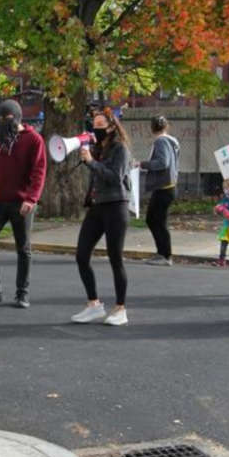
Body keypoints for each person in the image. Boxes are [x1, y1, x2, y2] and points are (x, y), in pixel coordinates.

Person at [0, 100, 46, 310]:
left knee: (23, 248)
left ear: (18, 119)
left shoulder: (34, 140)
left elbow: (39, 171)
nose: (4, 123)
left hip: (21, 202)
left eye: (8, 119)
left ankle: (22, 293)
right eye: (1, 119)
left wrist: (31, 199)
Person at [71, 108, 133, 326]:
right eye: (93, 124)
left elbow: (115, 177)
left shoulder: (120, 149)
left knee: (115, 258)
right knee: (81, 255)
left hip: (116, 206)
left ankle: (120, 309)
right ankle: (94, 304)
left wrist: (91, 162)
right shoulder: (99, 148)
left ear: (111, 127)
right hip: (98, 207)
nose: (95, 128)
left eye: (100, 125)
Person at [141, 115, 180, 266]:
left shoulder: (161, 141)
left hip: (164, 187)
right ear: (166, 126)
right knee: (156, 220)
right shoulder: (172, 140)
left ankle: (164, 255)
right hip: (169, 186)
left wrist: (143, 164)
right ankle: (163, 253)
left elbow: (163, 163)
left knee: (155, 220)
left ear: (151, 128)